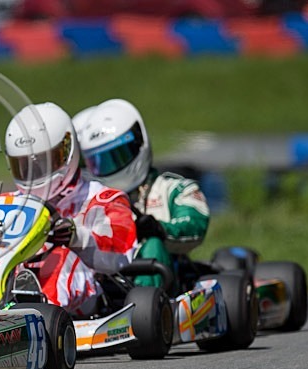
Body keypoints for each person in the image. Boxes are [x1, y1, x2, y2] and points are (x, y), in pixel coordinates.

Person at [4, 102, 137, 316]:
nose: (35, 172)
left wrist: (77, 237)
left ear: (67, 150)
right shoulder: (11, 203)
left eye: (44, 162)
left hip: (92, 286)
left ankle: (38, 313)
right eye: (25, 165)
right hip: (17, 274)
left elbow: (121, 251)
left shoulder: (103, 198)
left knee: (60, 258)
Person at [78, 98, 210, 289]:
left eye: (118, 157)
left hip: (163, 285)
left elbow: (195, 225)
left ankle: (147, 300)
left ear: (138, 143)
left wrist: (159, 229)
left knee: (152, 244)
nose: (111, 167)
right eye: (101, 161)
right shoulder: (91, 200)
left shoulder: (174, 189)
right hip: (103, 280)